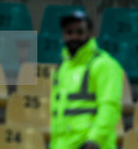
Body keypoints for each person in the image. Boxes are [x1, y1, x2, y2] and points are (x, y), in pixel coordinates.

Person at [50, 10, 124, 149]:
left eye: (79, 32)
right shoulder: (63, 68)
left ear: (90, 34)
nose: (74, 37)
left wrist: (94, 140)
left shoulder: (104, 64)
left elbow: (109, 106)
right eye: (69, 32)